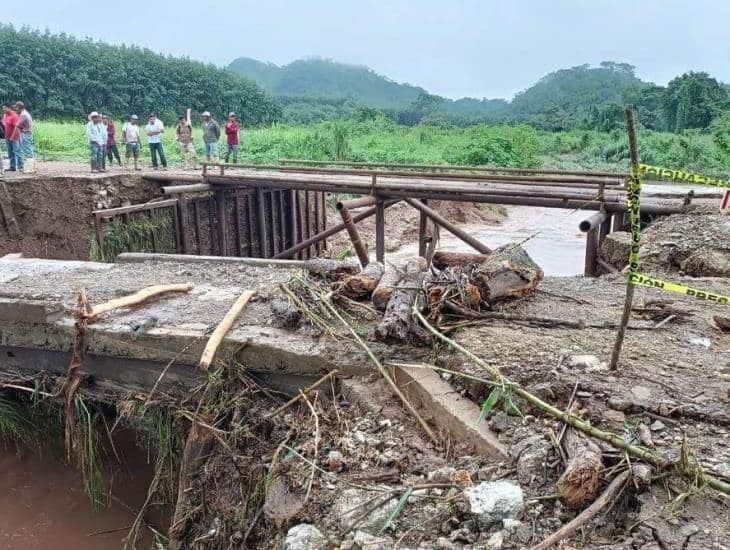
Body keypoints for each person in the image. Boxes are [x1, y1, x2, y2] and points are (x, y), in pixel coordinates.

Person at [14, 101, 35, 173]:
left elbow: (18, 125)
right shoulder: (26, 113)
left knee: (27, 151)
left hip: (26, 134)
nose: (15, 109)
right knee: (29, 150)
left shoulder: (23, 115)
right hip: (28, 133)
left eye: (16, 107)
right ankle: (31, 168)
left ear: (19, 107)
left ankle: (30, 169)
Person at [2, 103, 20, 171]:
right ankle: (12, 167)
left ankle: (20, 166)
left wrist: (13, 136)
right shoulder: (5, 115)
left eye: (4, 108)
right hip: (7, 136)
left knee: (16, 151)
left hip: (14, 137)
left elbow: (17, 127)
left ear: (9, 108)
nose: (3, 109)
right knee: (10, 152)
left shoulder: (14, 116)